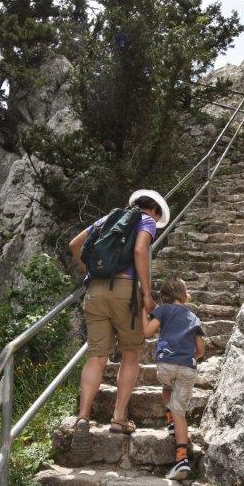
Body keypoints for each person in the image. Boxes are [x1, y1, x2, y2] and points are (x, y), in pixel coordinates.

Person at [68, 189, 170, 462]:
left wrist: (91, 272)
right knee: (130, 355)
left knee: (96, 356)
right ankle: (118, 418)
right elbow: (139, 250)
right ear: (156, 212)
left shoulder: (106, 220)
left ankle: (82, 417)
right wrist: (147, 294)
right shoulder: (146, 221)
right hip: (125, 292)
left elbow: (74, 245)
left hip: (95, 291)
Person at [141, 276, 205, 480]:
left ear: (165, 296)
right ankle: (181, 456)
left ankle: (172, 426)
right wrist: (188, 358)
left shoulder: (164, 310)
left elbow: (147, 333)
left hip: (166, 365)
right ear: (184, 296)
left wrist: (144, 311)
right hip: (187, 367)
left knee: (167, 386)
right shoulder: (194, 318)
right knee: (181, 412)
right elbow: (201, 351)